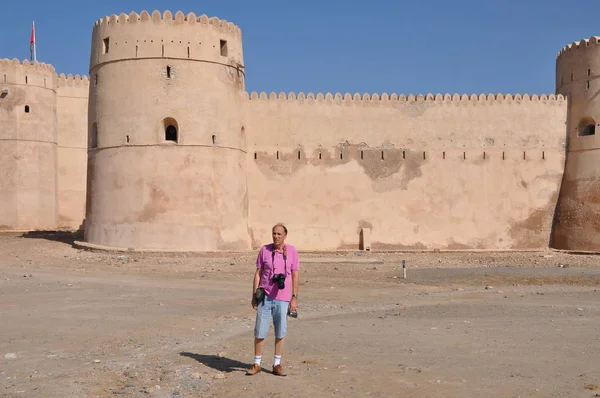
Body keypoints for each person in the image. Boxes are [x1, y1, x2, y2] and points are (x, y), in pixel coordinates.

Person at [246, 223, 300, 376]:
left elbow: (295, 275)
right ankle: (256, 363)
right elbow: (258, 273)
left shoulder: (292, 251)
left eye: (279, 234)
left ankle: (277, 364)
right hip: (265, 296)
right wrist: (254, 295)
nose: (276, 236)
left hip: (283, 298)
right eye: (274, 233)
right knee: (260, 330)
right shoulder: (264, 250)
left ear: (285, 235)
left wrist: (294, 297)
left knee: (280, 331)